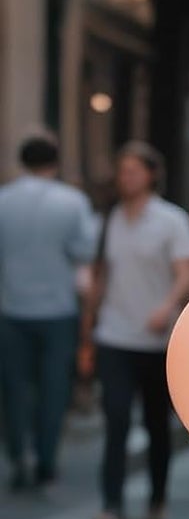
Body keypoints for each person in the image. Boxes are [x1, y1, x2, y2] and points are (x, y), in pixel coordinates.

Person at [86, 143, 189, 519]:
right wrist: (90, 325)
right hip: (114, 334)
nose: (125, 178)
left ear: (151, 174)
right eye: (122, 171)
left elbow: (185, 273)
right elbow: (101, 275)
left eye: (133, 171)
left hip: (156, 341)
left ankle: (157, 498)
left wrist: (166, 308)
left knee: (155, 422)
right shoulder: (110, 219)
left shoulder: (171, 220)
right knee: (116, 418)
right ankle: (111, 507)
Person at [0, 133, 98, 495]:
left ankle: (17, 456)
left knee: (14, 388)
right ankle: (45, 460)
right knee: (53, 388)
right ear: (54, 164)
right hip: (58, 308)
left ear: (21, 161)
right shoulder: (71, 202)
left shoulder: (3, 201)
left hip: (11, 307)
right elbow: (85, 250)